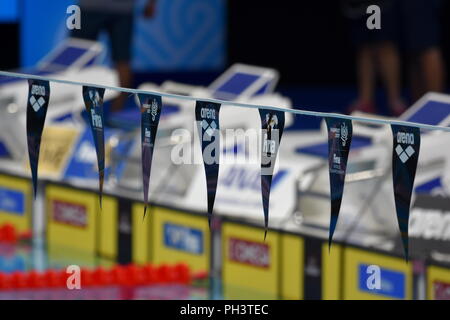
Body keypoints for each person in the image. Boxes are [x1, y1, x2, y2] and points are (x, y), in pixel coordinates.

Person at [72, 0, 157, 112]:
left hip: (96, 6)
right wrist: (152, 3)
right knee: (121, 59)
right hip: (118, 8)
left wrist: (152, 3)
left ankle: (115, 112)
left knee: (78, 55)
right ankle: (117, 112)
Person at [343, 0, 406, 116]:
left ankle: (394, 100)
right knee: (364, 46)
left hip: (381, 5)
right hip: (358, 7)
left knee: (384, 44)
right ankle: (366, 101)